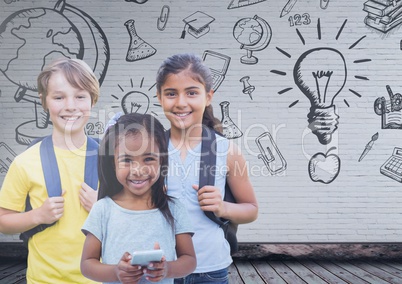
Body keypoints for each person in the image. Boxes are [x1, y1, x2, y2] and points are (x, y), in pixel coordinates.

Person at [156, 53, 258, 283]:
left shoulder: (227, 151)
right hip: (161, 269)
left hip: (210, 270)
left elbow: (251, 209)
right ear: (160, 98)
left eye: (192, 93)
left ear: (208, 97)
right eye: (171, 94)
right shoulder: (149, 152)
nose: (181, 102)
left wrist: (222, 207)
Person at [0, 58, 100, 283]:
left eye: (80, 96)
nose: (70, 106)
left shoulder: (112, 161)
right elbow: (3, 221)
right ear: (43, 101)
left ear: (92, 100)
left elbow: (136, 216)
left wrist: (103, 209)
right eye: (58, 97)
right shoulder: (25, 162)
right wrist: (38, 215)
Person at [80, 113, 196, 284]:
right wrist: (116, 272)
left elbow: (189, 260)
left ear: (161, 161)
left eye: (148, 159)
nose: (138, 170)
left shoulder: (174, 208)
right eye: (126, 160)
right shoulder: (103, 209)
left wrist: (167, 269)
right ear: (113, 163)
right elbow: (87, 265)